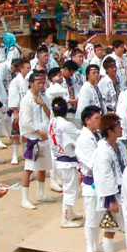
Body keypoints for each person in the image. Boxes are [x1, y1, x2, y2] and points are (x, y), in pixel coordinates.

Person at [92, 113, 127, 252]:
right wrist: (111, 199)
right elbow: (104, 176)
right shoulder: (102, 150)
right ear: (110, 131)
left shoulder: (119, 145)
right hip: (112, 194)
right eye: (118, 126)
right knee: (110, 229)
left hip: (124, 191)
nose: (121, 128)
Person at [19, 71, 54, 209]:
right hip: (34, 138)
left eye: (43, 83)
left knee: (42, 167)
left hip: (44, 137)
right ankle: (24, 198)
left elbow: (50, 114)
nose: (41, 85)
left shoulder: (44, 97)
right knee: (29, 168)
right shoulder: (26, 100)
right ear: (31, 83)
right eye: (38, 83)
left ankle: (40, 193)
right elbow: (25, 122)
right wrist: (39, 132)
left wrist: (43, 104)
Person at [48, 97, 83, 227]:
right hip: (66, 161)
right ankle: (65, 219)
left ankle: (70, 213)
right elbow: (79, 136)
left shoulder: (52, 121)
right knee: (70, 190)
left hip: (59, 160)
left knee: (69, 189)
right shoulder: (66, 124)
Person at [74, 106, 102, 252]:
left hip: (101, 180)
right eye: (96, 118)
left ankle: (96, 244)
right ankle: (89, 248)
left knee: (99, 215)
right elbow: (92, 163)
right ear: (87, 120)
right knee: (91, 217)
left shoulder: (96, 135)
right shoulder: (83, 139)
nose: (99, 121)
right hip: (91, 181)